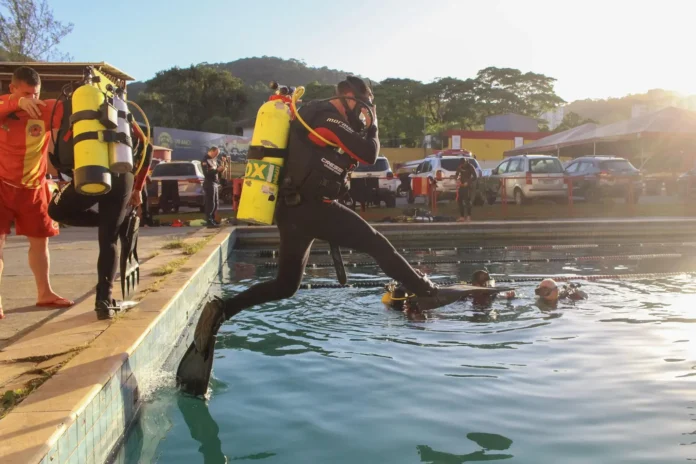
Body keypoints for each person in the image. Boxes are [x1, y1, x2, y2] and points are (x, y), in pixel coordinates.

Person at [177, 76, 463, 395]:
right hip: (310, 209)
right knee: (376, 243)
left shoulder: (322, 117)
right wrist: (375, 124)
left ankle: (221, 311)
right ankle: (426, 291)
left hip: (297, 211)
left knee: (286, 285)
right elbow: (369, 152)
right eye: (366, 105)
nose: (367, 114)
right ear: (349, 97)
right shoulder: (325, 115)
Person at [48, 101, 152, 320]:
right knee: (109, 240)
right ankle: (103, 302)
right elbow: (147, 148)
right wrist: (138, 188)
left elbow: (60, 153)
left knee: (56, 212)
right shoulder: (124, 113)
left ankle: (113, 222)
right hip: (122, 175)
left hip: (91, 173)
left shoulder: (77, 110)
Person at [0, 66, 74, 320]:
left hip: (33, 187)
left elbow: (66, 111)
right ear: (12, 89)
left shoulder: (45, 108)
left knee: (41, 242)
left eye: (36, 93)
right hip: (2, 185)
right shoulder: (4, 105)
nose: (33, 99)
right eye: (26, 94)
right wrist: (15, 103)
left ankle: (45, 293)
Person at [201, 146, 225, 228]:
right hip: (209, 183)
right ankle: (209, 220)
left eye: (217, 154)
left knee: (215, 202)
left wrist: (222, 168)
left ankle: (213, 219)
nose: (216, 155)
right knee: (210, 203)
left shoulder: (214, 160)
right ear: (211, 151)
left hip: (215, 183)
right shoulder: (205, 160)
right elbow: (206, 174)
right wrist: (217, 170)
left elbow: (219, 170)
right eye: (215, 153)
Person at [454, 158, 477, 222]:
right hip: (461, 185)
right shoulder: (460, 167)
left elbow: (475, 176)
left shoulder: (470, 167)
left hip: (468, 186)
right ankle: (462, 216)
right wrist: (457, 179)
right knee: (459, 200)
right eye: (460, 165)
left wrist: (468, 182)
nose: (461, 166)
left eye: (462, 164)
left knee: (467, 201)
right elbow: (457, 174)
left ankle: (469, 216)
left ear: (465, 162)